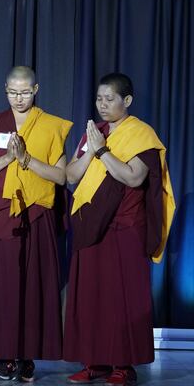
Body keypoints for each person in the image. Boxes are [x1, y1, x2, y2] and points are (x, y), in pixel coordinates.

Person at [63, 73, 175, 385]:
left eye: (109, 99)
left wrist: (102, 152)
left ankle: (123, 365)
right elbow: (71, 175)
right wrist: (91, 149)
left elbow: (133, 178)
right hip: (91, 223)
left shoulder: (141, 134)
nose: (102, 104)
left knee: (122, 297)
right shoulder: (93, 132)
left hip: (124, 227)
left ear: (127, 101)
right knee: (91, 297)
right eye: (99, 98)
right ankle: (93, 362)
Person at [0, 66, 71, 382]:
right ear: (5, 90)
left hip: (36, 215)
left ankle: (27, 358)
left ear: (36, 89)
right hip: (1, 216)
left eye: (25, 91)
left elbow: (61, 176)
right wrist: (10, 159)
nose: (19, 98)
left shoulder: (50, 126)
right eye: (13, 91)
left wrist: (27, 160)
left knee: (31, 289)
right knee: (1, 290)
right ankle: (4, 357)